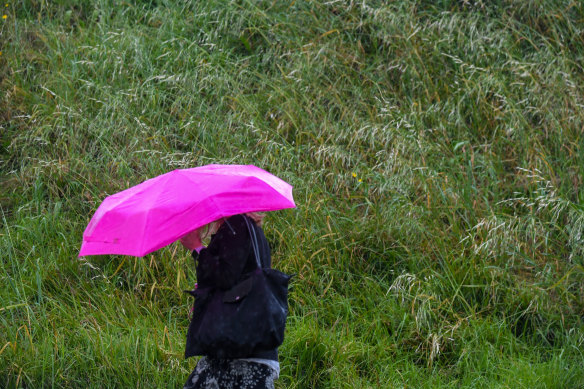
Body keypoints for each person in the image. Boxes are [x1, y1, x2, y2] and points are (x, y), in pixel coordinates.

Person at [180, 213, 280, 389]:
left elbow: (226, 276)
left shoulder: (237, 225)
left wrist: (196, 247)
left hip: (239, 351)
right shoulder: (251, 230)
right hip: (248, 346)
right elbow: (236, 279)